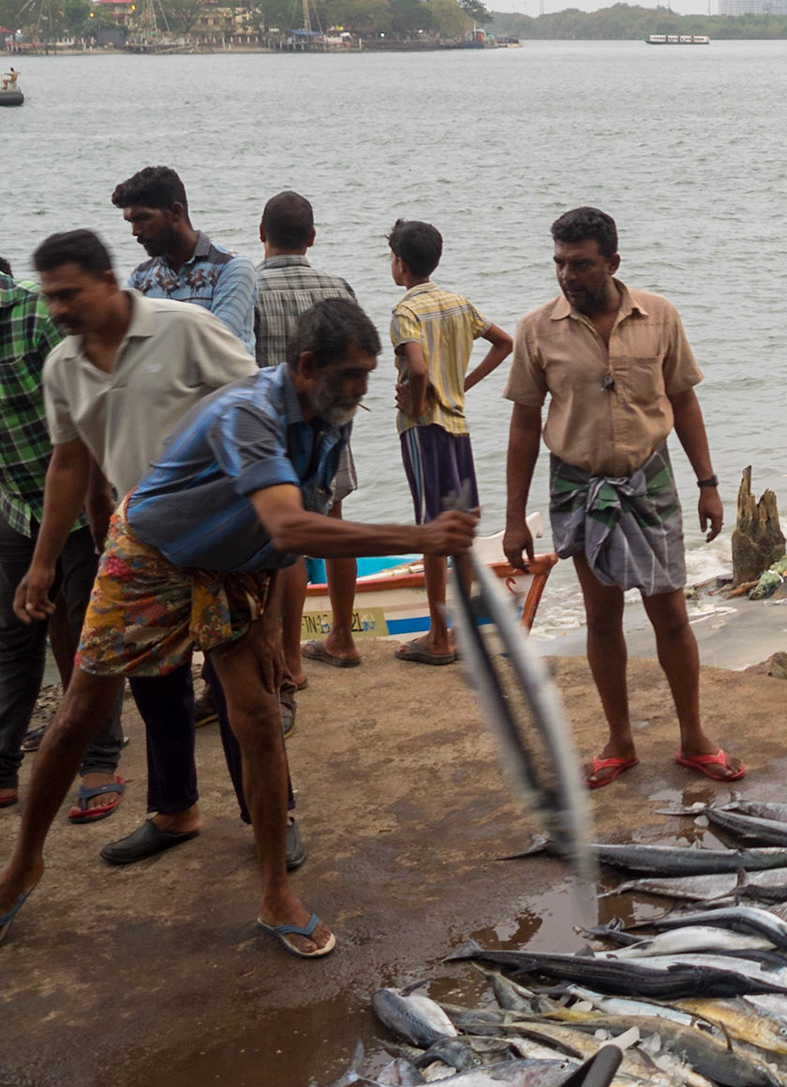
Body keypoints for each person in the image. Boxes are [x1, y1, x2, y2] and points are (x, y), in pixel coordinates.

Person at [0, 298, 478, 957]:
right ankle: (22, 865)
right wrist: (420, 535)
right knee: (82, 709)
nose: (364, 388)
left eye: (369, 374)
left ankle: (275, 892)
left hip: (235, 570)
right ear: (308, 365)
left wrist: (276, 639)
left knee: (256, 716)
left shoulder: (329, 413)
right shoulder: (246, 413)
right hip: (152, 555)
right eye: (353, 374)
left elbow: (291, 534)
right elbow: (290, 525)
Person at [25, 229, 271, 869]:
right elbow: (71, 464)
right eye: (50, 297)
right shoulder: (64, 365)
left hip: (219, 534)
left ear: (109, 281)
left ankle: (271, 818)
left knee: (242, 688)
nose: (58, 310)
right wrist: (45, 561)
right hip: (141, 543)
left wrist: (265, 525)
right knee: (154, 681)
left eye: (69, 293)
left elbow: (257, 408)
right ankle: (175, 810)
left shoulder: (184, 328)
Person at [502, 207, 738, 785]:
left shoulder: (658, 317)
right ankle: (619, 741)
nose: (567, 275)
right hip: (578, 486)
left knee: (670, 613)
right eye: (559, 263)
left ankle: (693, 739)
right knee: (600, 617)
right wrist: (513, 518)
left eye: (580, 264)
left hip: (649, 479)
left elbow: (682, 400)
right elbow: (525, 424)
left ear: (612, 262)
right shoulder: (537, 328)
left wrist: (708, 484)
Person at [0, 264, 128, 826]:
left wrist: (101, 510)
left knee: (88, 627)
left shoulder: (35, 316)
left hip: (75, 500)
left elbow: (89, 418)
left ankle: (99, 758)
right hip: (11, 501)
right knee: (13, 633)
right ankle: (4, 765)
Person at [387, 219, 512, 666]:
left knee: (432, 530)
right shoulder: (458, 303)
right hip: (458, 427)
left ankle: (438, 635)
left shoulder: (407, 312)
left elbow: (417, 369)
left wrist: (418, 405)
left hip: (424, 432)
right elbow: (504, 343)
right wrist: (461, 385)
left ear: (399, 263)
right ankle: (461, 630)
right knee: (459, 530)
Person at [252, 191, 364, 687]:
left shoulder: (248, 288)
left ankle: (289, 661)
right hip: (334, 422)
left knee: (286, 543)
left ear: (262, 235)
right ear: (312, 237)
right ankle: (343, 636)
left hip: (274, 427)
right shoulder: (337, 287)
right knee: (334, 519)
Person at [113, 165, 257, 352]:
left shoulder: (231, 269)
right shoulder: (142, 276)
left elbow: (217, 344)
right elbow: (124, 341)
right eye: (130, 222)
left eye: (143, 218)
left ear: (175, 212)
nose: (135, 231)